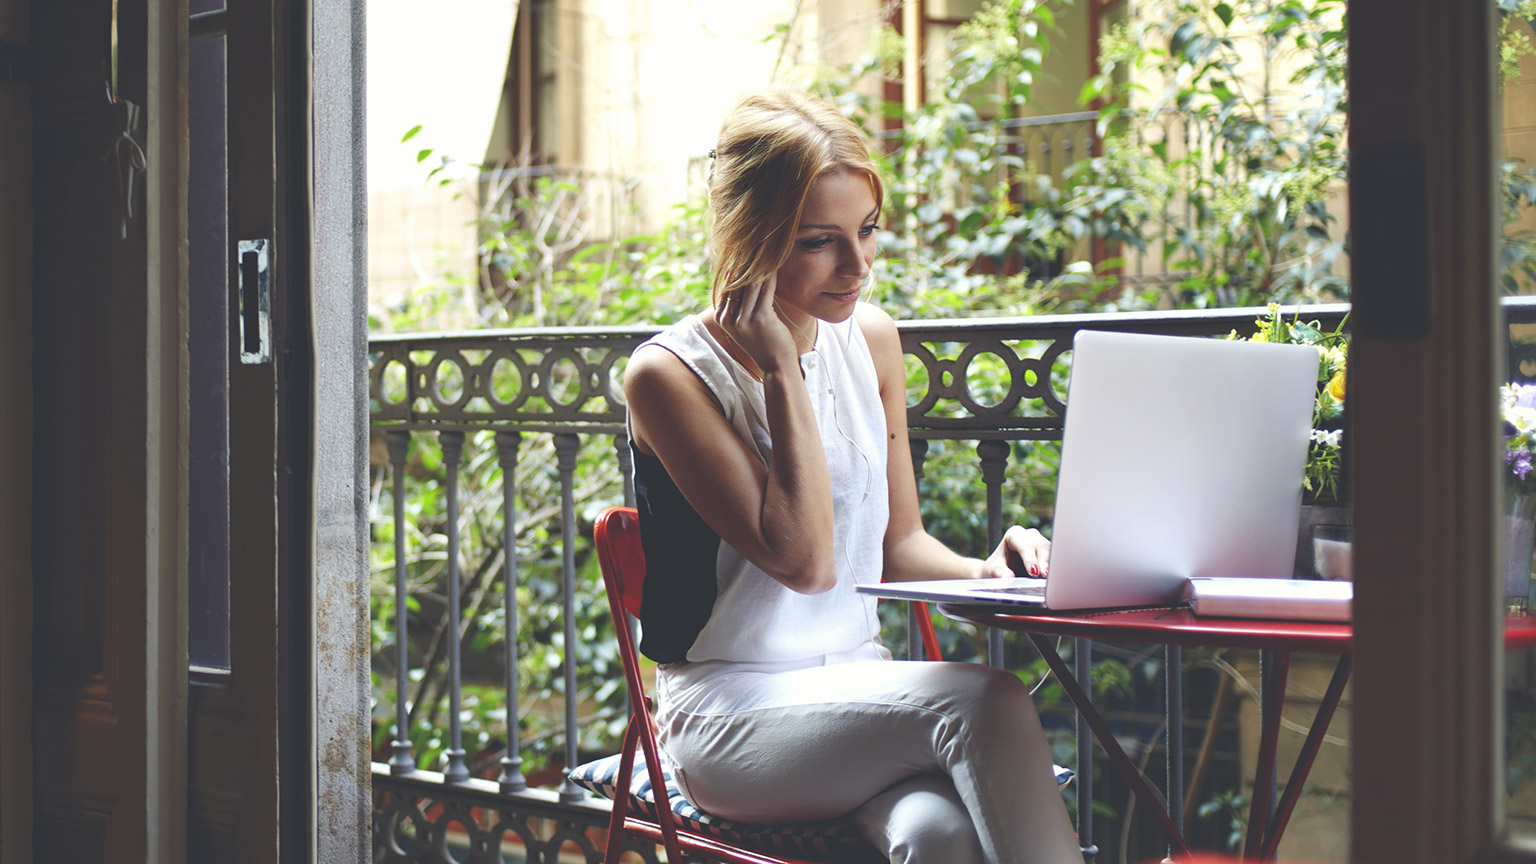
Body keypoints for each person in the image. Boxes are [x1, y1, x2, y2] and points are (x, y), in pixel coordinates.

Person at [622, 87, 1081, 864]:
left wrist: (989, 572)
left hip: (858, 697)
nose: (858, 264)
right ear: (752, 238)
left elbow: (899, 544)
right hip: (733, 715)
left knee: (938, 841)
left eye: (866, 231)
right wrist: (779, 367)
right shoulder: (668, 377)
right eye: (818, 241)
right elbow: (803, 561)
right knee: (989, 702)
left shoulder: (870, 339)